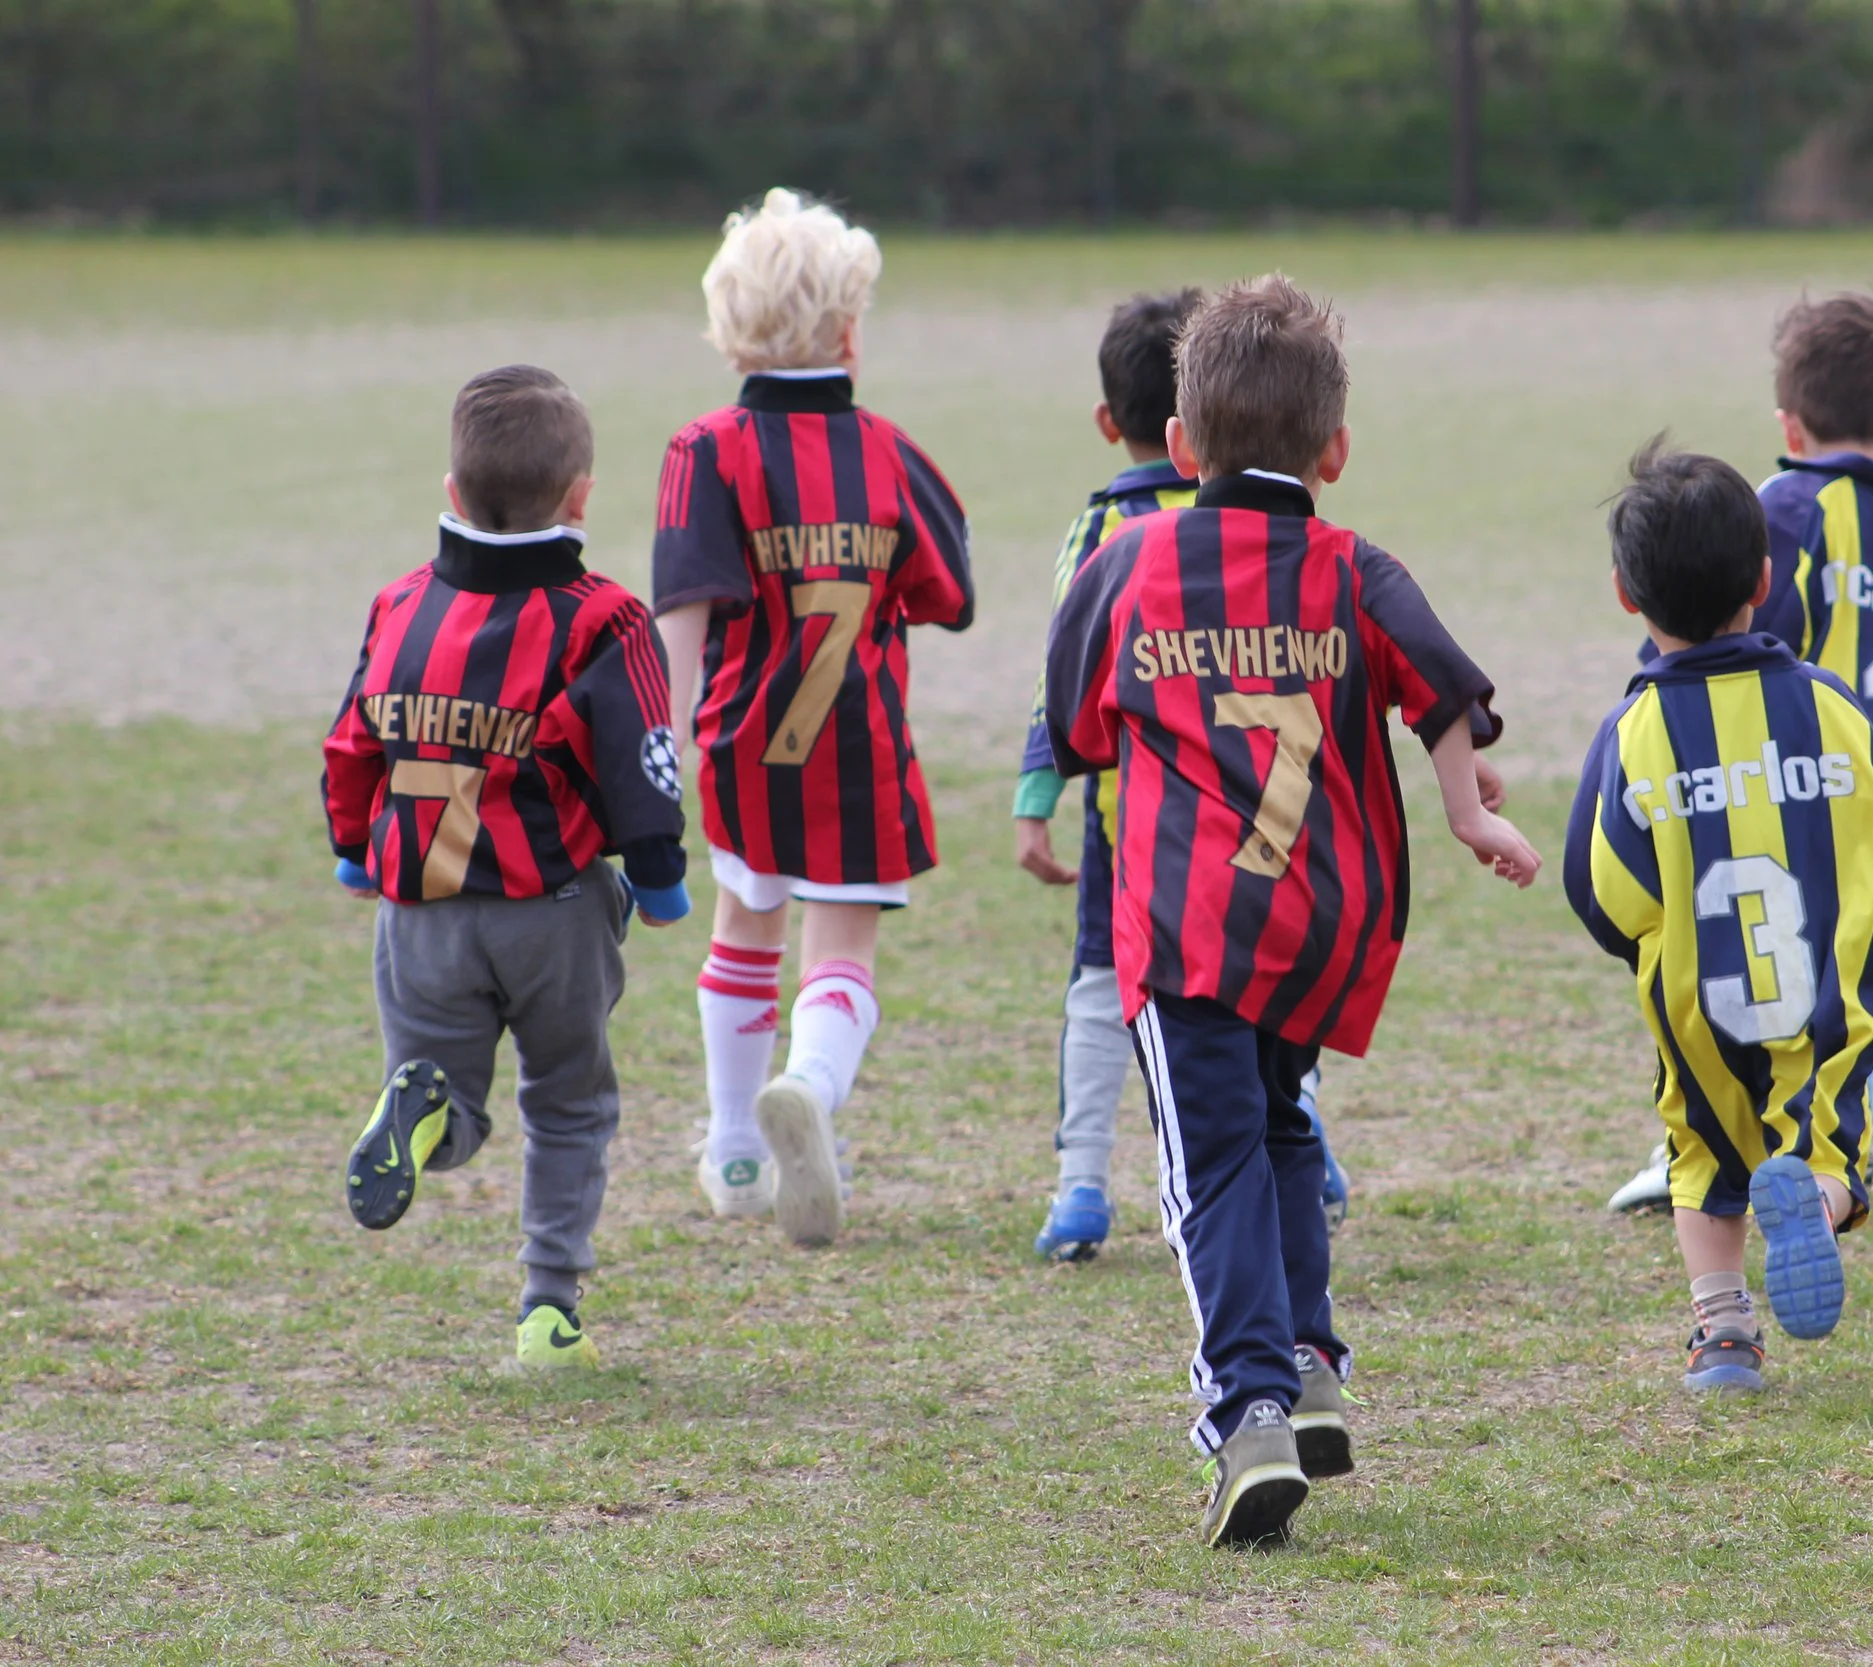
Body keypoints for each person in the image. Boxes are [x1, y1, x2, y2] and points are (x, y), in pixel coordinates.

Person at [1046, 275, 1541, 1545]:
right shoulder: (1352, 567)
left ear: (1176, 445)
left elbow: (1078, 722)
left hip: (1190, 921)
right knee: (1278, 1136)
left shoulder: (1131, 563)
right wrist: (1466, 808)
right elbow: (1440, 683)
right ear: (1334, 452)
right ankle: (1310, 1360)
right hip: (1320, 921)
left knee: (1205, 1166)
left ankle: (1248, 1409)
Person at [323, 364, 691, 1370]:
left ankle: (426, 1105)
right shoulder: (603, 618)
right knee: (568, 1101)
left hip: (420, 912)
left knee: (459, 1105)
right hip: (551, 910)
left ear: (451, 494)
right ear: (581, 497)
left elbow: (351, 741)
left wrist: (356, 850)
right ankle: (548, 1308)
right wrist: (659, 875)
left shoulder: (399, 604)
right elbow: (640, 754)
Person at [1564, 441, 1873, 1394]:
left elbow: (1598, 885)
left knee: (1700, 1155)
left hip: (1701, 1004)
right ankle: (1814, 1199)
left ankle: (1724, 1333)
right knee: (1828, 1144)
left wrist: (1644, 943)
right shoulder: (1832, 710)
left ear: (1625, 594)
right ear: (1766, 579)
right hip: (1824, 1002)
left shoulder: (1633, 732)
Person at [1609, 287, 1873, 1212]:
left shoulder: (1789, 507)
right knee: (1852, 948)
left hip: (1812, 786)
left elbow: (1739, 640)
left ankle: (1739, 1148)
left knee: (1775, 955)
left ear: (1786, 420)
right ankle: (1859, 1117)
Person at [650, 189, 973, 1246]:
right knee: (842, 951)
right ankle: (811, 1086)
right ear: (847, 330)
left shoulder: (704, 449)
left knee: (743, 924)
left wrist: (661, 743)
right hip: (859, 744)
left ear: (728, 330)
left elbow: (682, 624)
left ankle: (736, 1148)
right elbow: (947, 595)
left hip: (744, 744)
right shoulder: (889, 452)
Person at [1014, 290, 1352, 1263]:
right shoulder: (1272, 519)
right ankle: (1303, 1130)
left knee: (1098, 983)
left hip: (1136, 821)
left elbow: (1060, 669)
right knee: (1270, 984)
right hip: (1269, 808)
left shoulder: (1107, 533)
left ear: (1111, 423)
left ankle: (1081, 1183)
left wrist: (1037, 793)